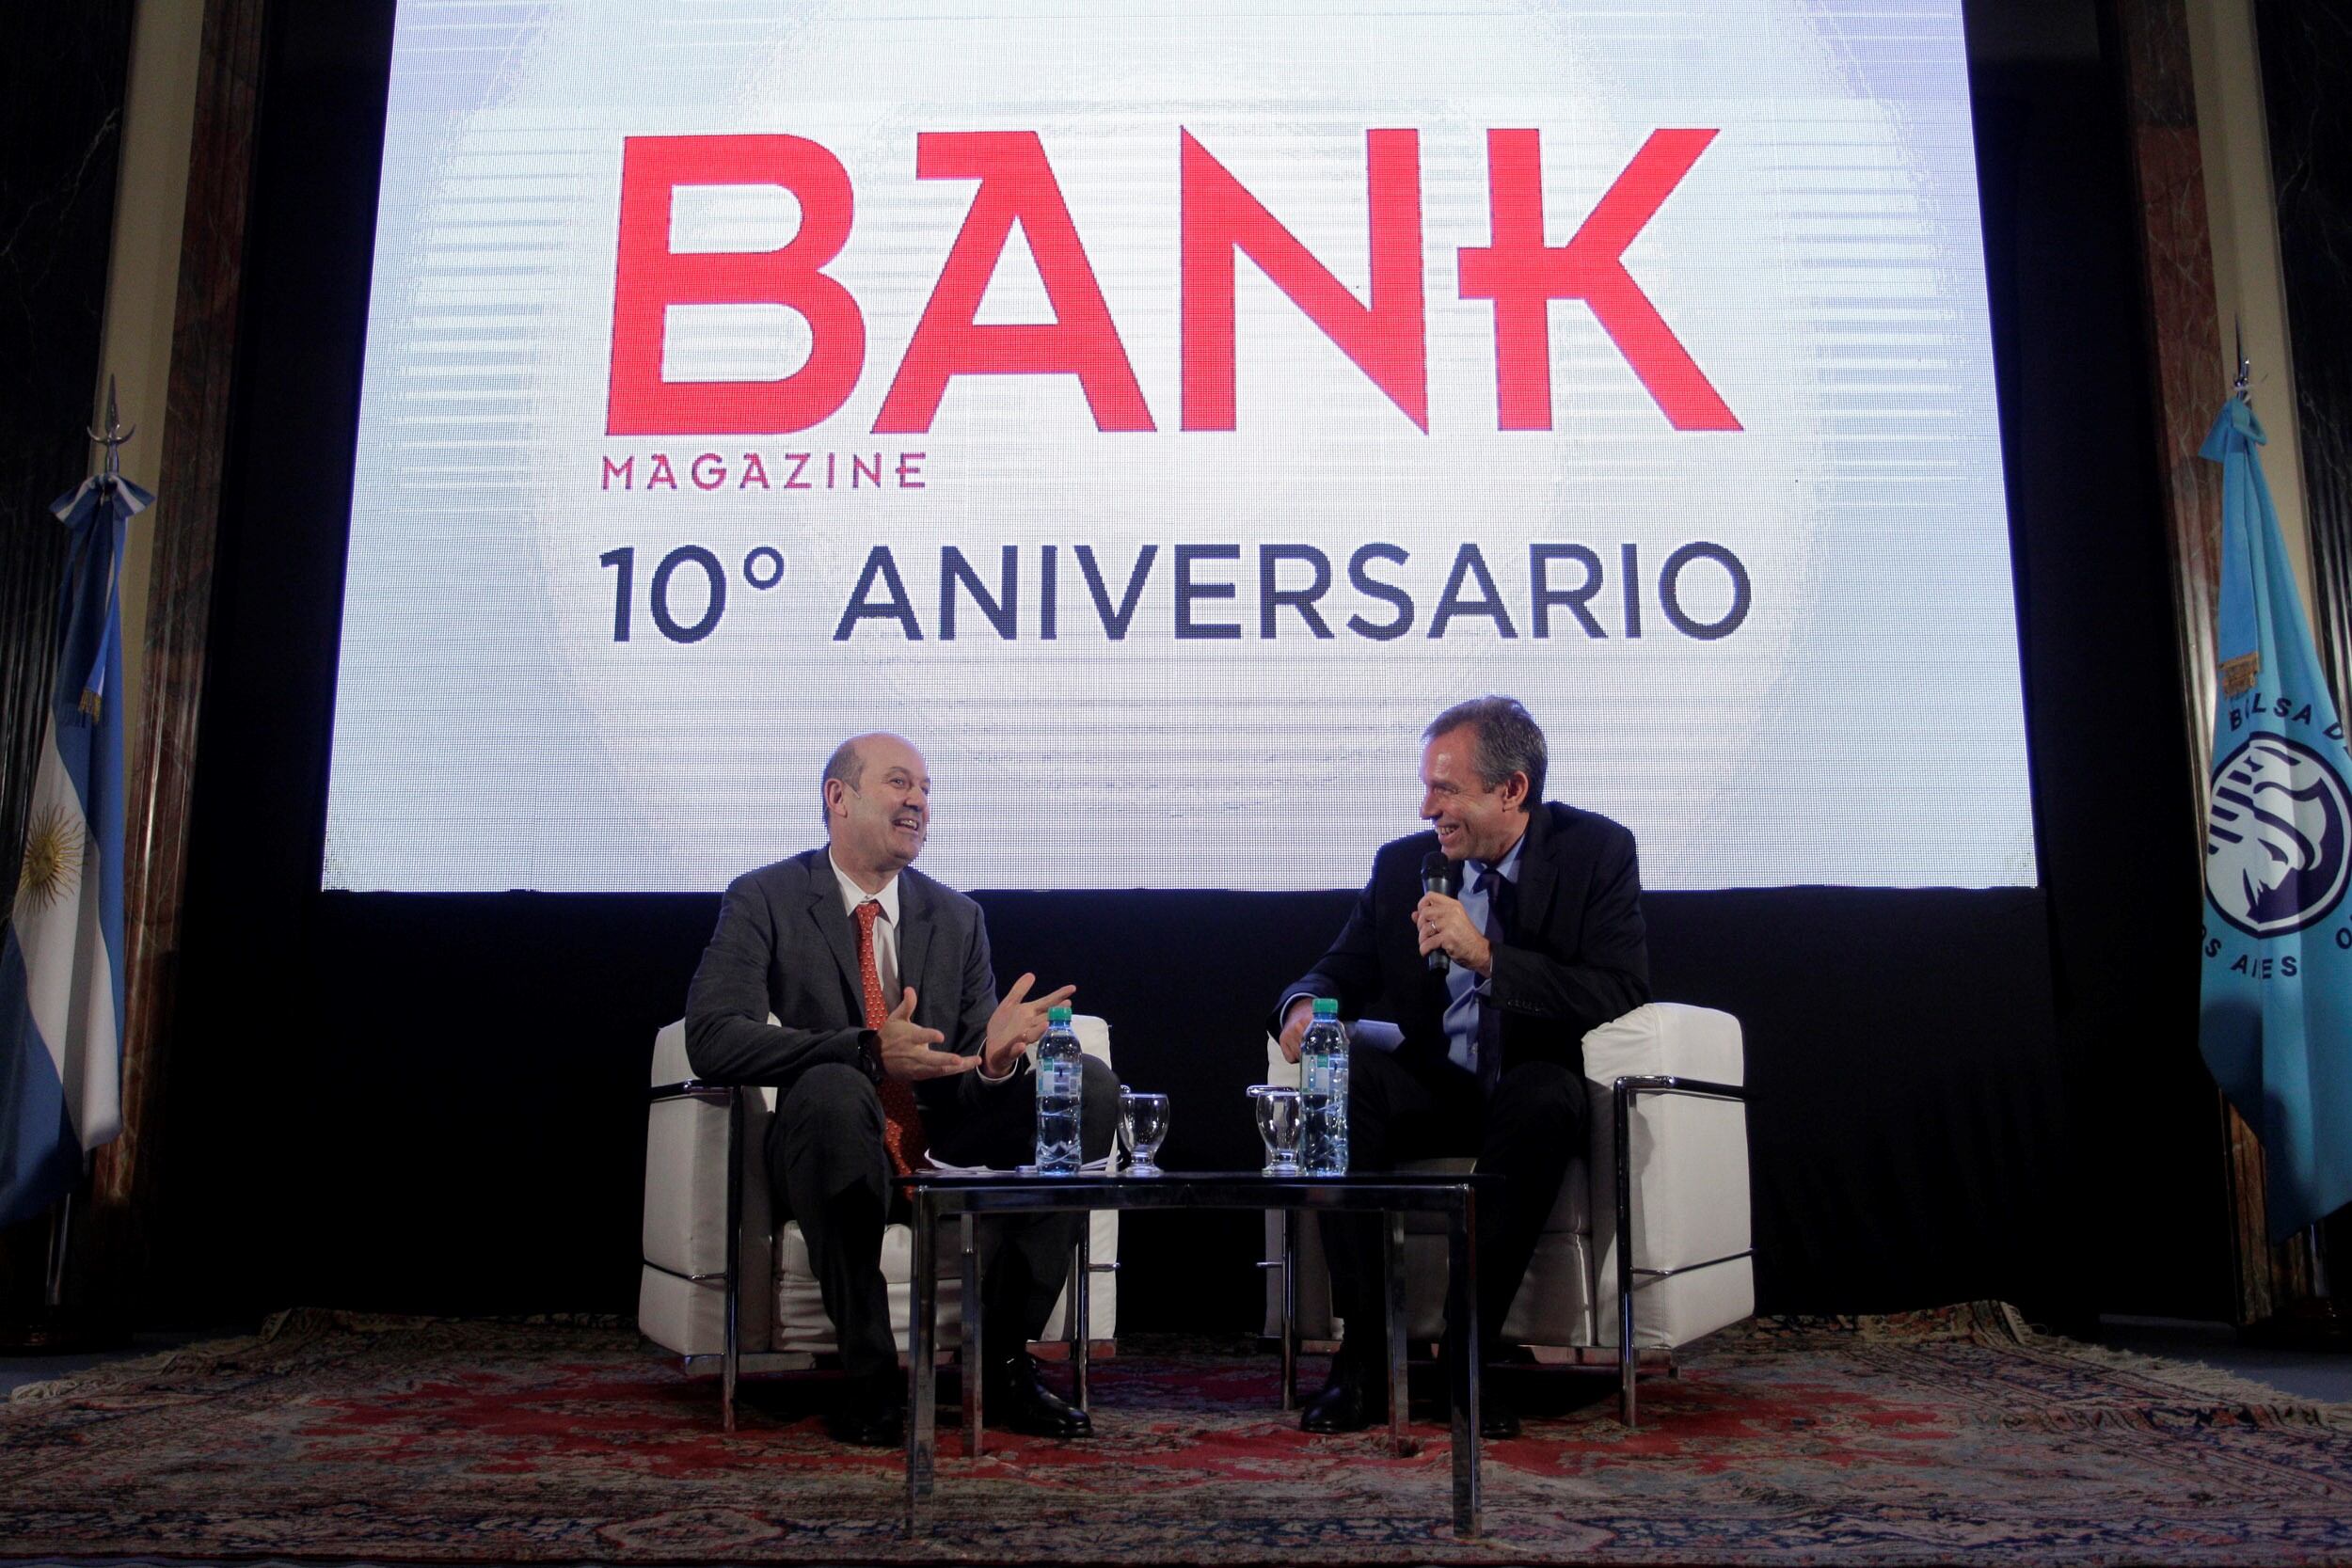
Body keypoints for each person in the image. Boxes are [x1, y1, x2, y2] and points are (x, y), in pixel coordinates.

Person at [686, 732, 1115, 1447]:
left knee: (1087, 1088)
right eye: (898, 782)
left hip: (940, 1151)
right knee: (830, 1086)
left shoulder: (958, 917)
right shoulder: (765, 897)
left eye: (925, 787)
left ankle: (1003, 1363)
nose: (918, 799)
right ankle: (870, 1376)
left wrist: (996, 1062)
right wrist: (862, 1051)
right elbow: (713, 1035)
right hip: (832, 1150)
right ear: (838, 798)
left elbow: (971, 1080)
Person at [1273, 696, 1649, 1439]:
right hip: (1436, 1083)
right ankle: (1365, 1359)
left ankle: (1469, 1357)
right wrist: (1301, 1007)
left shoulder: (1595, 852)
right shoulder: (1402, 867)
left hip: (1529, 1082)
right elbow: (1332, 970)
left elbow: (1620, 987)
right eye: (1427, 787)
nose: (1427, 807)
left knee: (1546, 1098)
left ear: (1511, 789)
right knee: (1341, 1079)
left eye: (1445, 789)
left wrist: (1489, 958)